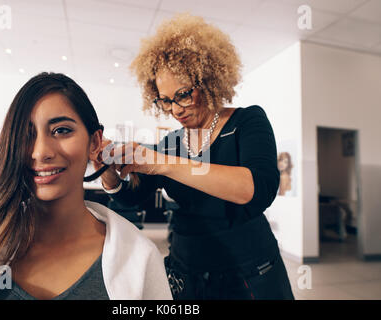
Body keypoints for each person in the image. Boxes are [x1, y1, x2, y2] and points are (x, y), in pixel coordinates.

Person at [95, 13, 294, 300]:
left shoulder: (247, 122)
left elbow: (254, 189)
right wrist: (107, 171)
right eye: (165, 100)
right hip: (186, 270)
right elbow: (130, 197)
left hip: (251, 272)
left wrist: (159, 162)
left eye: (183, 94)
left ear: (209, 81)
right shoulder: (171, 142)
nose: (175, 109)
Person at [0, 73, 172, 300]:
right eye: (26, 135)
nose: (41, 152)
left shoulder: (140, 259)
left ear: (95, 142)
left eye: (61, 131)